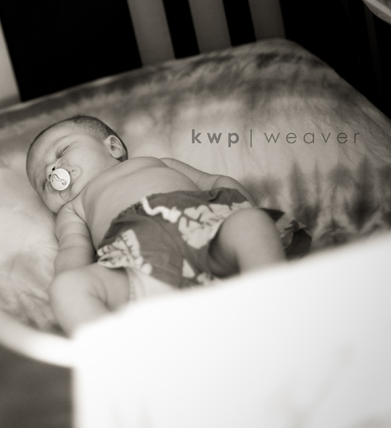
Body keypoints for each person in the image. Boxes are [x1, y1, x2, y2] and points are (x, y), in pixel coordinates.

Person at [26, 116, 285, 334]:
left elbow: (215, 182)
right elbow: (72, 250)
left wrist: (246, 210)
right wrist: (75, 278)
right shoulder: (73, 208)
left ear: (113, 147)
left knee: (250, 222)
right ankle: (127, 361)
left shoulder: (157, 163)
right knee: (66, 290)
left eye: (61, 152)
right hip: (138, 269)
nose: (52, 172)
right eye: (43, 181)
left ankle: (271, 310)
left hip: (207, 236)